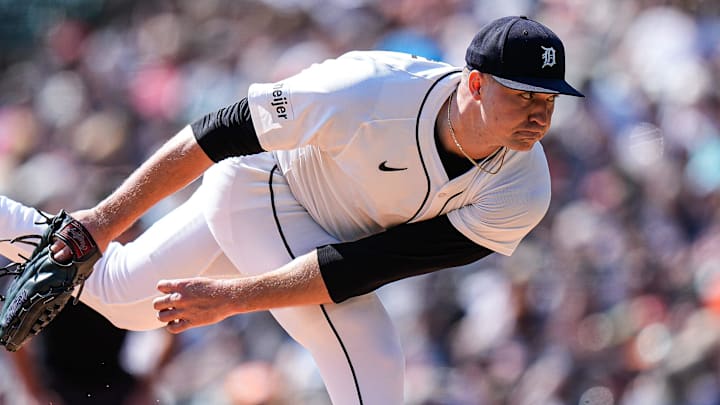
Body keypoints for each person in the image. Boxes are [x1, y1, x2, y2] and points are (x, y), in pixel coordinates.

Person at [0, 16, 583, 404]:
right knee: (373, 363)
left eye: (548, 97)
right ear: (476, 84)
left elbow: (363, 267)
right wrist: (100, 221)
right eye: (523, 93)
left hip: (323, 240)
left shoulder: (522, 191)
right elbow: (218, 130)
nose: (539, 112)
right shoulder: (366, 89)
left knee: (122, 300)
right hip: (264, 186)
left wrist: (233, 297)